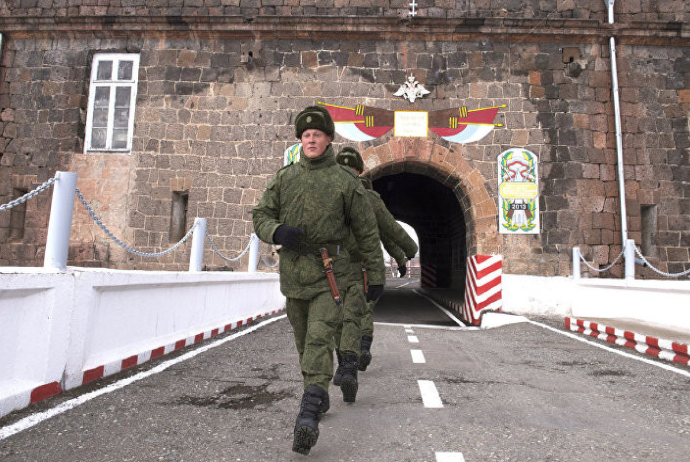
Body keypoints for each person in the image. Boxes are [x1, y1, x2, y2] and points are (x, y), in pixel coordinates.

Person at [252, 106, 385, 455]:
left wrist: (377, 275)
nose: (311, 139)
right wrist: (276, 230)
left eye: (318, 135)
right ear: (301, 140)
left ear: (329, 140)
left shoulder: (346, 183)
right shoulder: (285, 178)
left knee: (318, 340)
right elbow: (261, 214)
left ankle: (308, 414)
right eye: (305, 135)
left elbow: (368, 233)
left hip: (331, 276)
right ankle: (320, 393)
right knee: (302, 343)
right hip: (294, 276)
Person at [334, 147, 418, 372]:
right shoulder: (369, 199)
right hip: (364, 267)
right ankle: (361, 348)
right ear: (359, 171)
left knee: (339, 314)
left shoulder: (328, 195)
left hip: (333, 268)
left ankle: (345, 360)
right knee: (363, 310)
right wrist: (407, 253)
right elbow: (389, 230)